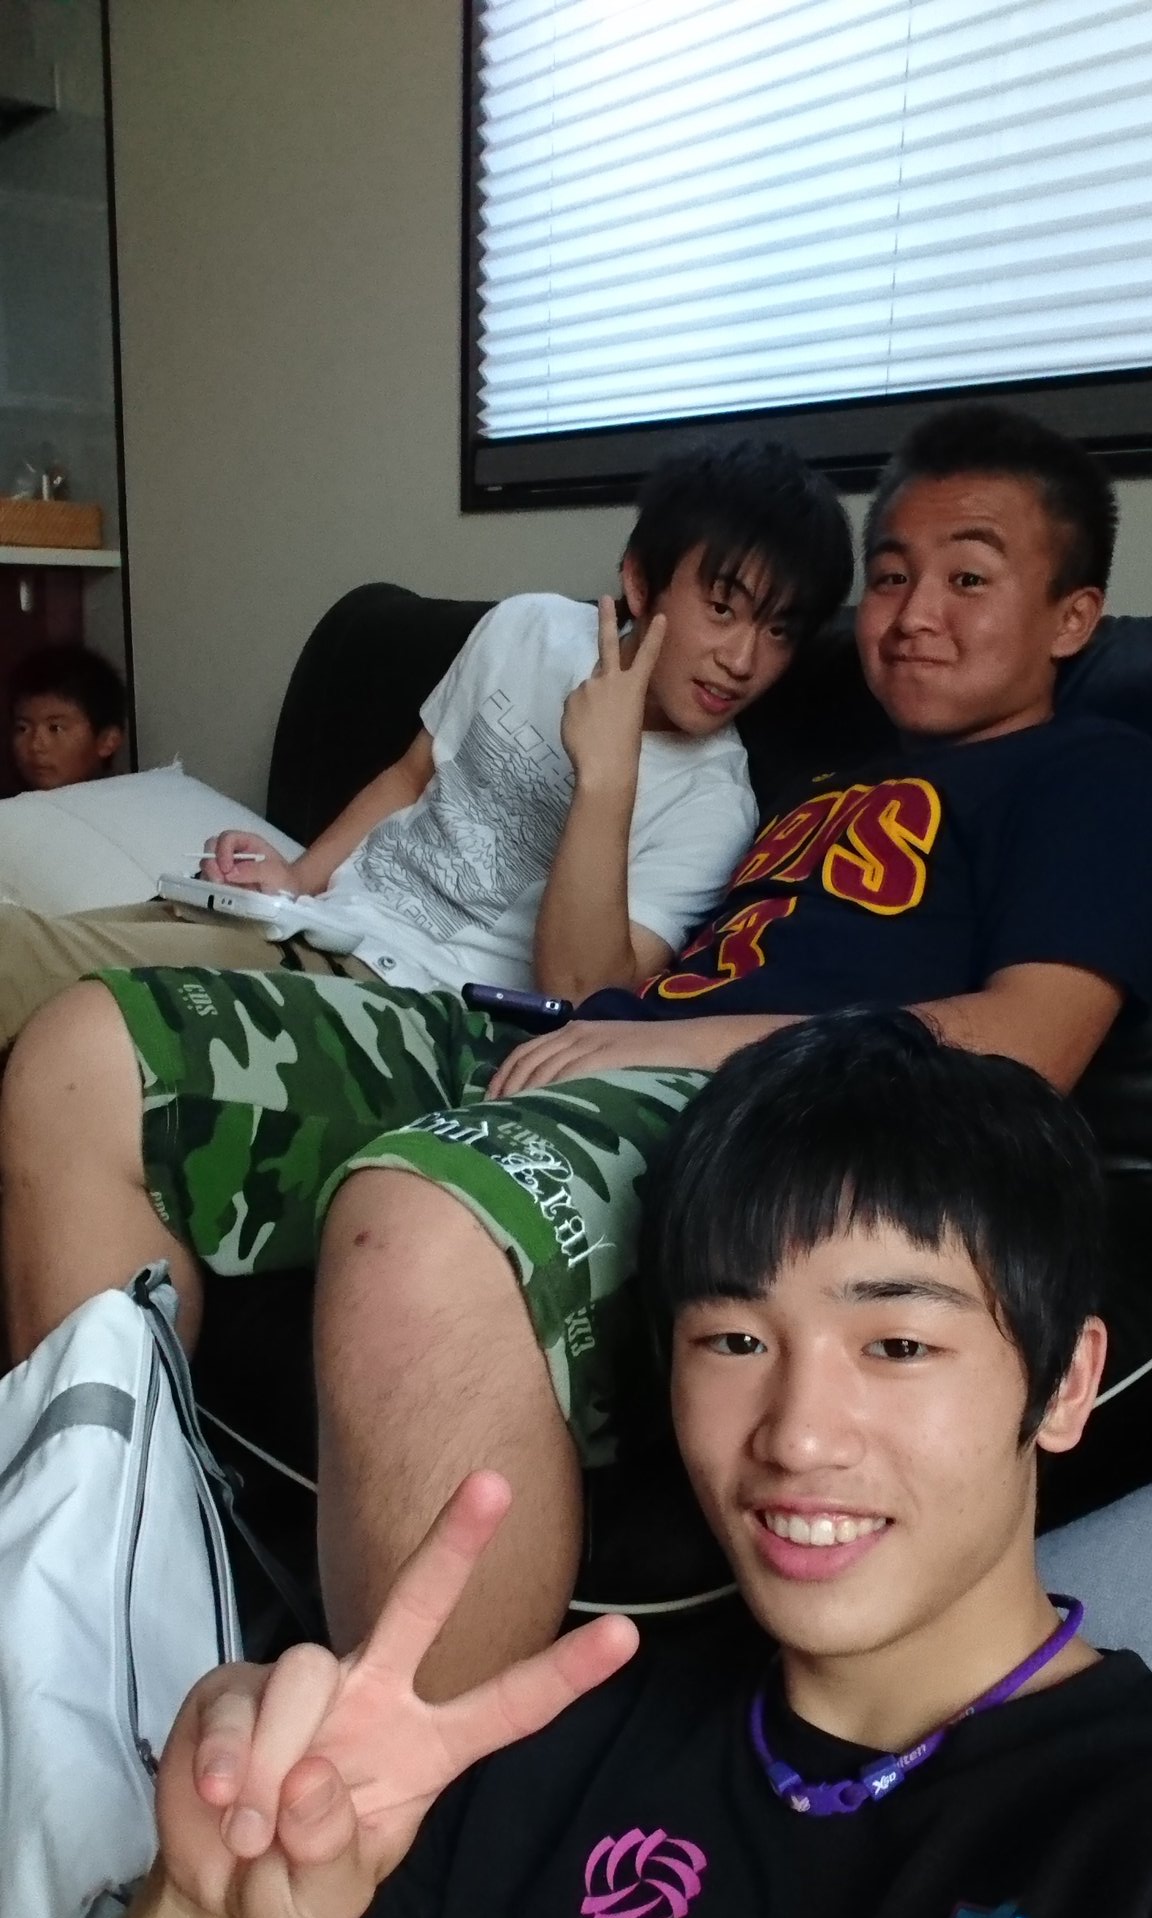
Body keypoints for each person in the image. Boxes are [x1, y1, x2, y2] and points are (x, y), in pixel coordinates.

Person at [6, 402, 1152, 1697]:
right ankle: (88, 1668)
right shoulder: (819, 786)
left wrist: (675, 1044)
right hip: (545, 1037)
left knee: (427, 1211)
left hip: (760, 1111)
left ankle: (408, 1794)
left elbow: (1025, 1048)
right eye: (890, 577)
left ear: (1072, 617)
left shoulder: (1093, 774)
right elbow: (584, 968)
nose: (910, 614)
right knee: (84, 1052)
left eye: (968, 579)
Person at [33, 1015, 1152, 1918]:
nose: (798, 1435)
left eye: (898, 1346)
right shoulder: (529, 1761)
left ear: (1065, 1383)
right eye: (734, 1341)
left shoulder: (1115, 1835)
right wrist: (207, 1916)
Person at [0, 438, 854, 1049]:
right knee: (27, 946)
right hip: (308, 927)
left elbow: (581, 997)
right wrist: (298, 878)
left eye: (779, 630)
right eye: (722, 608)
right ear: (639, 580)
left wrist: (606, 780)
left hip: (405, 1001)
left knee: (33, 972)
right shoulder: (524, 627)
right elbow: (412, 774)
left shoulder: (714, 803)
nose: (744, 660)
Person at [7, 644, 126, 793]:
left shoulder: (131, 802)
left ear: (107, 740)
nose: (35, 746)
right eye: (22, 728)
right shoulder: (11, 806)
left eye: (55, 728)